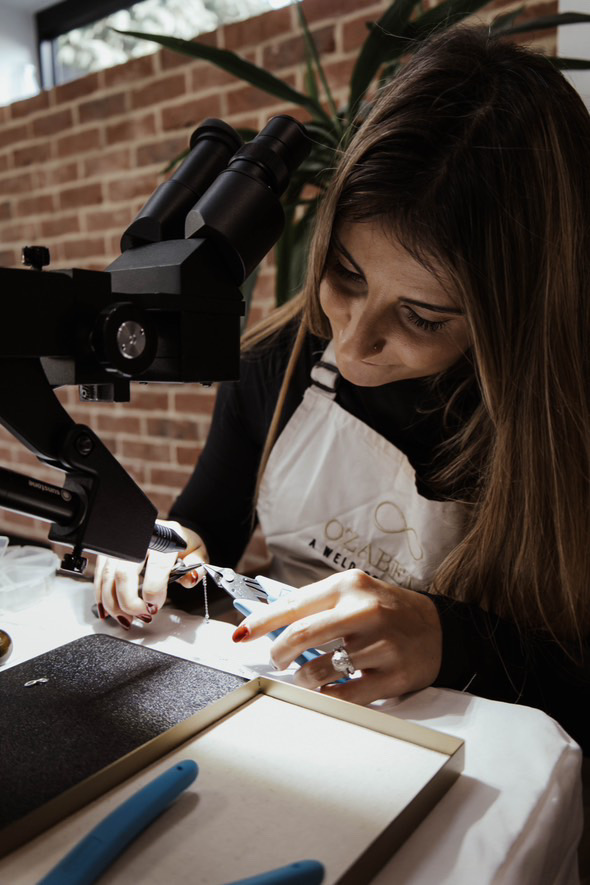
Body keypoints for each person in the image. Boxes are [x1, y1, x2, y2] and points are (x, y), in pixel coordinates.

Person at [95, 25, 590, 754]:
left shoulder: (563, 426)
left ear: (516, 314)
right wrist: (162, 549)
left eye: (423, 317)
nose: (353, 343)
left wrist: (452, 638)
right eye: (346, 275)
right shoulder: (274, 365)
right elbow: (206, 528)